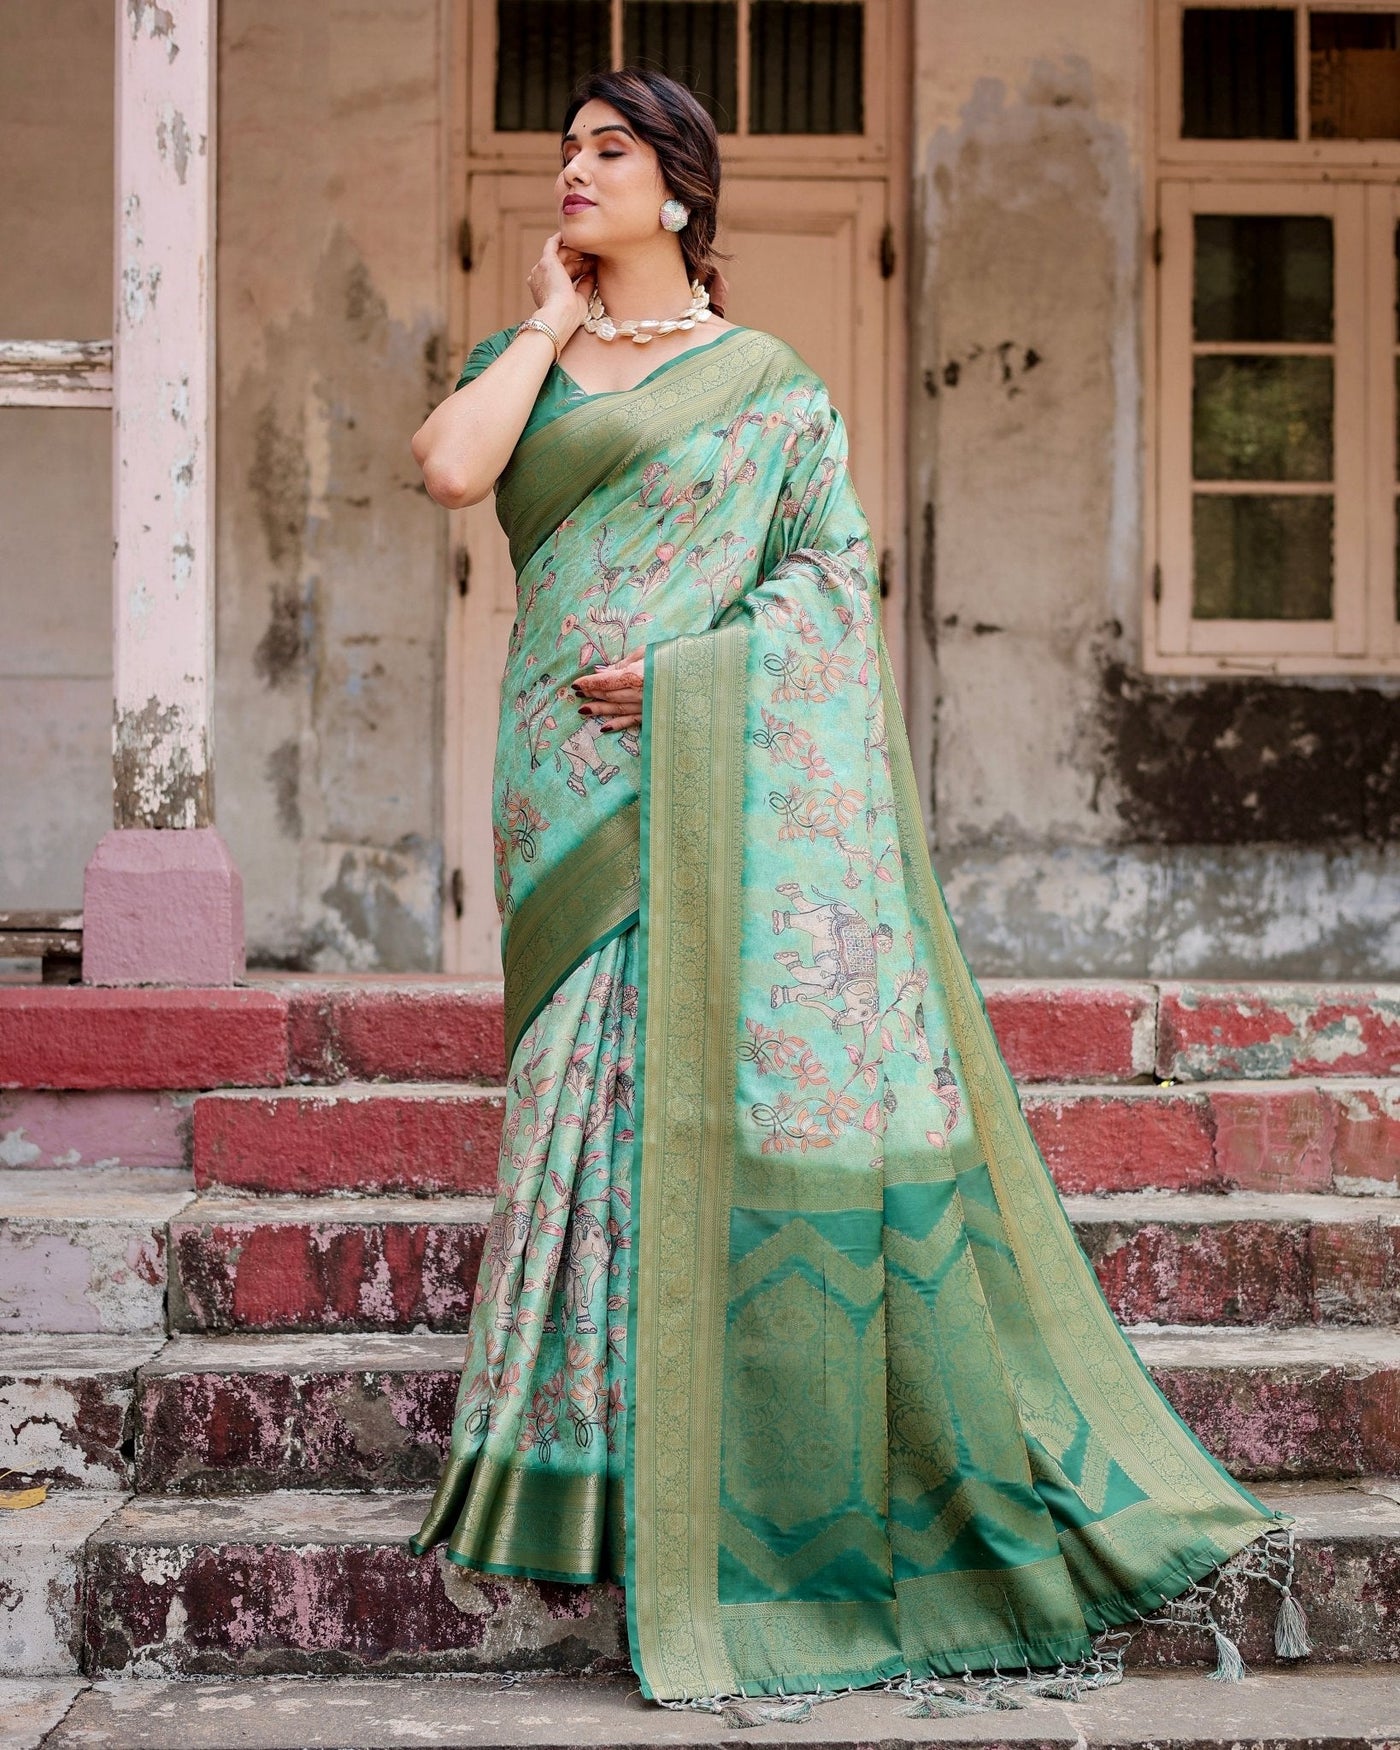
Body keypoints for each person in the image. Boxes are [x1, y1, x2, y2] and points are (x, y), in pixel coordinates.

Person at [407, 66, 1307, 1716]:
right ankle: (567, 1474)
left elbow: (830, 588)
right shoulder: (525, 364)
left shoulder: (771, 388)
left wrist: (692, 669)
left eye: (608, 153)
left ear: (681, 186)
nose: (572, 174)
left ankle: (705, 1485)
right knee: (572, 1089)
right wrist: (542, 322)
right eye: (564, 155)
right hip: (561, 778)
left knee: (674, 1093)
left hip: (693, 760)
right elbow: (455, 472)